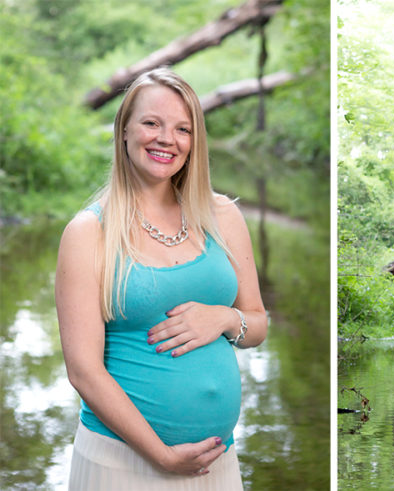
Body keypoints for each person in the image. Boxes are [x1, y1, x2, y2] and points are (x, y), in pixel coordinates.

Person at [55, 68, 267, 490]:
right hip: (121, 463)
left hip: (216, 465)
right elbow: (83, 371)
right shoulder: (88, 232)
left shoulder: (222, 215)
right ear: (125, 131)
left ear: (194, 141)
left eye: (182, 128)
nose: (166, 139)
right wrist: (162, 455)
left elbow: (257, 323)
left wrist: (225, 319)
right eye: (152, 122)